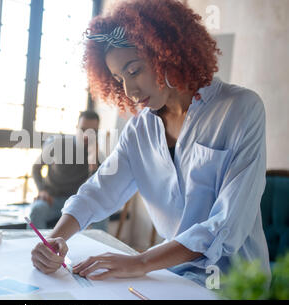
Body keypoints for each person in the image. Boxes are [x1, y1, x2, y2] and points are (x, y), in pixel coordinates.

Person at [30, 0, 271, 287]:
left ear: (167, 54)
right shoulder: (139, 130)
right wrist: (57, 236)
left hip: (237, 284)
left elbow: (227, 224)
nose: (129, 91)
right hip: (173, 278)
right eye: (119, 79)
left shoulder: (240, 109)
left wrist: (141, 261)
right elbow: (99, 190)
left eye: (134, 71)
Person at [29, 110, 108, 231]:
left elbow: (96, 187)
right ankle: (41, 248)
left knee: (103, 215)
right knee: (36, 210)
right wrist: (42, 190)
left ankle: (100, 249)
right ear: (76, 128)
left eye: (92, 131)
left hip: (77, 203)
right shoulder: (58, 144)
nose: (87, 135)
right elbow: (36, 168)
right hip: (52, 199)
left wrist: (93, 163)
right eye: (83, 130)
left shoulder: (97, 155)